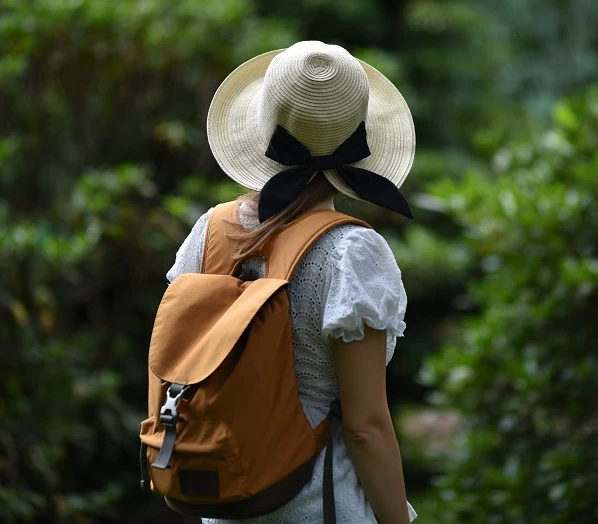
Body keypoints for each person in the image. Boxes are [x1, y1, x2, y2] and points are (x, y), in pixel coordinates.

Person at [166, 40, 418, 524]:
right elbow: (365, 427)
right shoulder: (351, 253)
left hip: (225, 497)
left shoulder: (209, 232)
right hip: (322, 505)